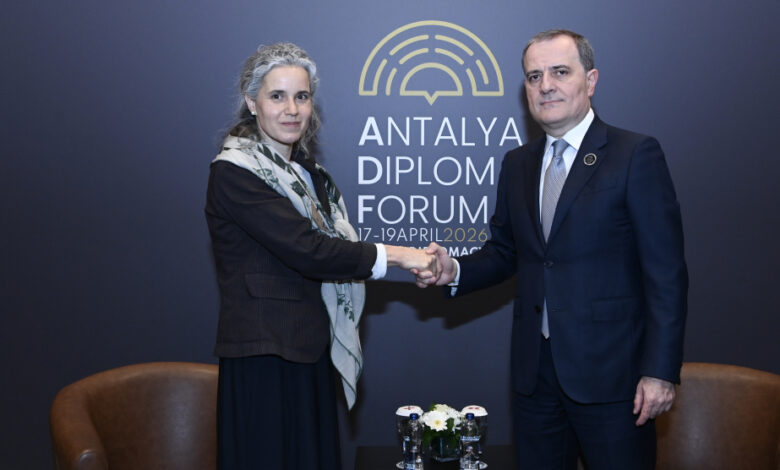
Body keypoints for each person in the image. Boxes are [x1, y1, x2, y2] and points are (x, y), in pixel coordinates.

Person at [418, 30, 687, 469]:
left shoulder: (635, 154)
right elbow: (506, 252)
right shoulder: (518, 163)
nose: (546, 85)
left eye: (560, 72)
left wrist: (659, 370)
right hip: (535, 379)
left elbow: (666, 275)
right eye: (534, 76)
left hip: (614, 380)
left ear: (590, 80)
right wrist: (455, 271)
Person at [205, 42, 437, 470]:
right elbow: (310, 250)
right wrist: (402, 256)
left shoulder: (309, 175)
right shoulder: (234, 172)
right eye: (277, 96)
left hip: (310, 349)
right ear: (252, 103)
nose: (292, 109)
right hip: (264, 357)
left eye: (302, 96)